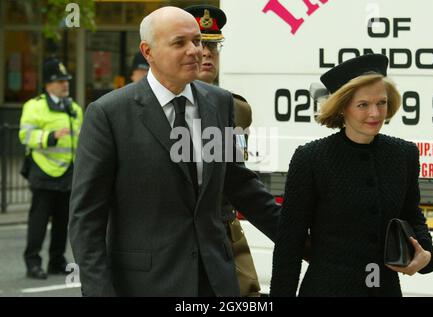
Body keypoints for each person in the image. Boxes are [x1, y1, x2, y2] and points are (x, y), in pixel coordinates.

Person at [69, 6, 280, 297]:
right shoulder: (109, 114)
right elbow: (86, 218)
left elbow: (240, 184)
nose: (195, 50)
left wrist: (303, 240)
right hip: (144, 285)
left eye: (197, 41)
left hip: (215, 282)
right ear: (148, 52)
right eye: (180, 43)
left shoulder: (219, 103)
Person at [270, 54, 433, 297]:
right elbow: (289, 243)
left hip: (384, 290)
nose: (375, 113)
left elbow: (412, 215)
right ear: (342, 107)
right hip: (326, 290)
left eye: (382, 102)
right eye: (363, 105)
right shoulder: (312, 158)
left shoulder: (404, 153)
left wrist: (426, 255)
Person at [184, 5, 260, 297]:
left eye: (213, 46)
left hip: (223, 235)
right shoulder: (148, 107)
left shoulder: (236, 109)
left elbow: (237, 180)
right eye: (199, 44)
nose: (206, 53)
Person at [18, 57, 83, 279]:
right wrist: (50, 137)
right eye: (59, 80)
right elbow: (25, 135)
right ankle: (33, 262)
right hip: (43, 171)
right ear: (48, 84)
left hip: (67, 172)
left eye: (66, 80)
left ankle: (57, 260)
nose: (65, 84)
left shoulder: (73, 108)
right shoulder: (34, 106)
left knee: (62, 221)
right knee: (38, 221)